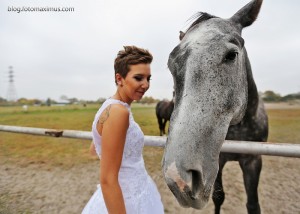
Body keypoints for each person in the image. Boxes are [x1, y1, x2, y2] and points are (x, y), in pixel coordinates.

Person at [82, 46, 164, 214]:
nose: (146, 84)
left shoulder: (110, 106)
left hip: (136, 189)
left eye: (148, 78)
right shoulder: (119, 112)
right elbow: (107, 180)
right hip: (127, 199)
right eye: (138, 78)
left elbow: (94, 149)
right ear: (119, 79)